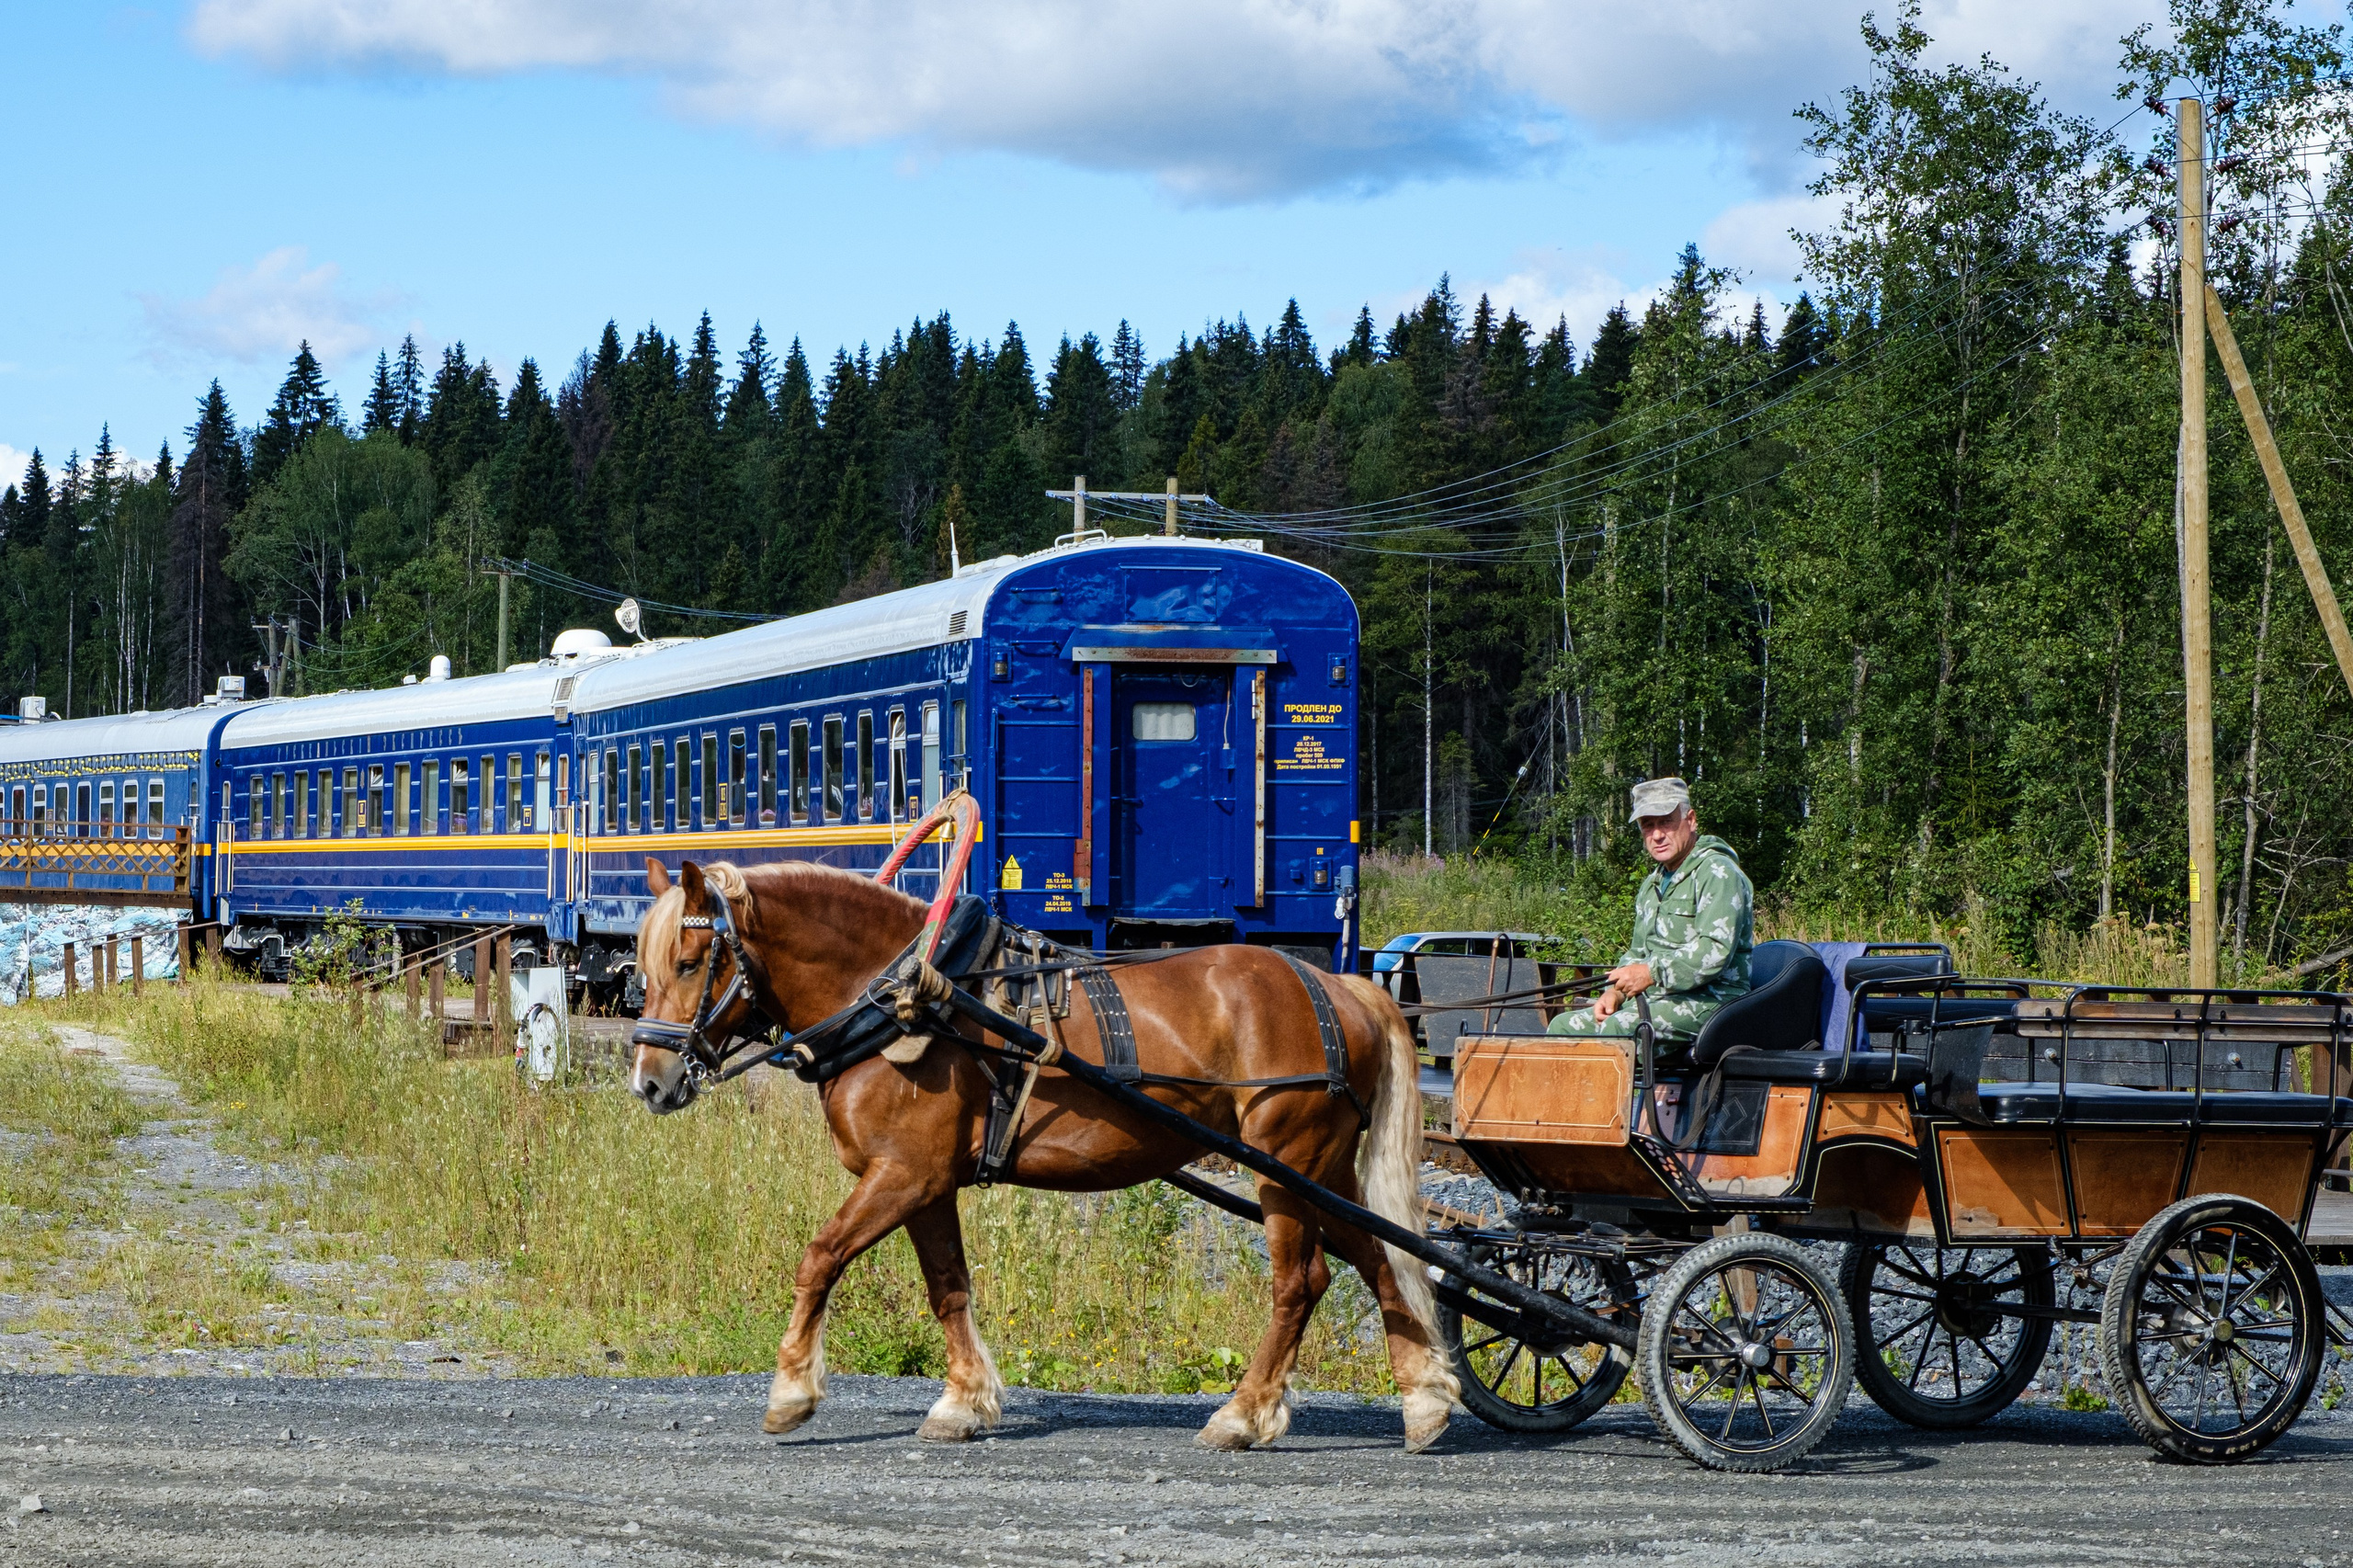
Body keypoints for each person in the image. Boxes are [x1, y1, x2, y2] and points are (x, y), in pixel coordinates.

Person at [1548, 778, 1753, 1045]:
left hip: (1715, 1001)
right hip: (1659, 1000)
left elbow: (1714, 951)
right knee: (1562, 1026)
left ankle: (1622, 1088)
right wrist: (1615, 993)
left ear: (1690, 820)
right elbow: (1637, 953)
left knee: (1620, 1030)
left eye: (1666, 821)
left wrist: (1650, 973)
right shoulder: (1652, 883)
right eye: (1648, 825)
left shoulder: (1718, 873)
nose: (1657, 835)